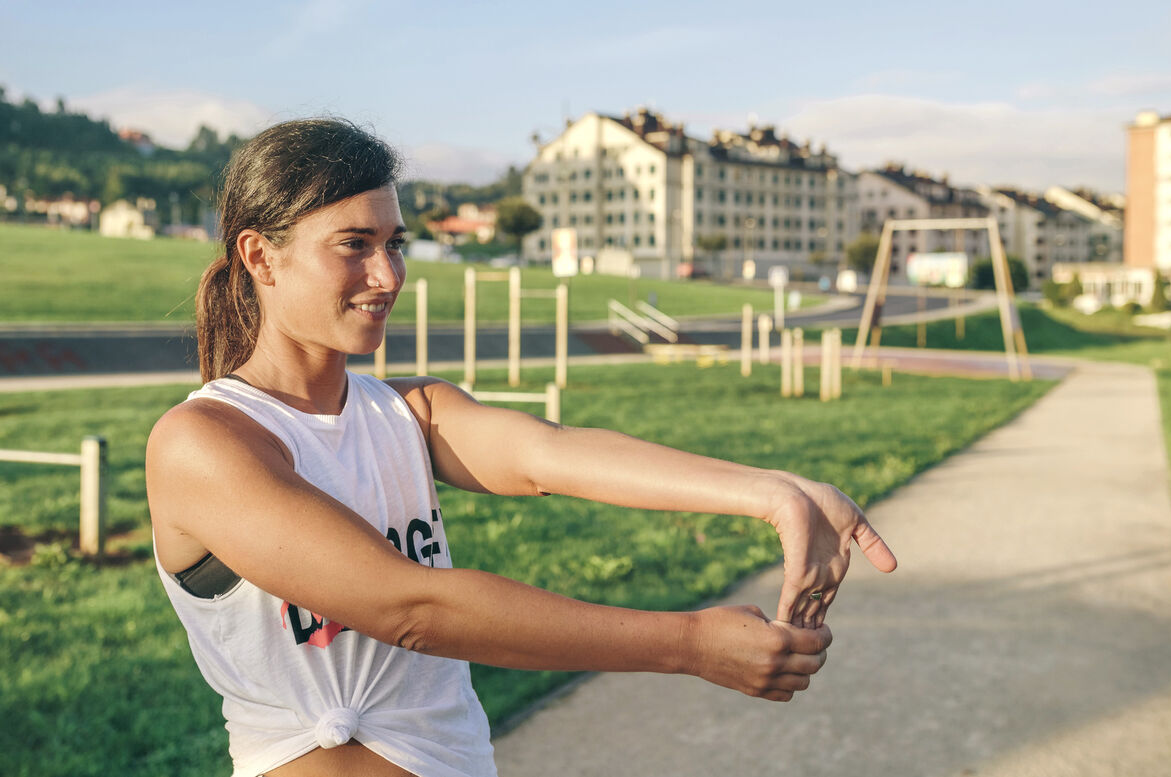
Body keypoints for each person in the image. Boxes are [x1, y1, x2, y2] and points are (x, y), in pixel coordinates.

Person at [146, 117, 897, 777]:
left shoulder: (409, 410)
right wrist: (689, 643)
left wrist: (777, 492)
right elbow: (413, 608)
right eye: (355, 245)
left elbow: (551, 452)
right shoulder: (204, 443)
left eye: (395, 243)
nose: (388, 275)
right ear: (260, 255)